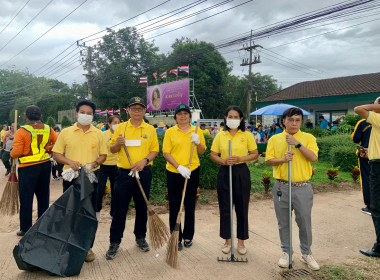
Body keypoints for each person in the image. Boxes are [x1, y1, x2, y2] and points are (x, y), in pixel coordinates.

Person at [265, 107, 320, 270]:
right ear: (284, 121)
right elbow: (268, 160)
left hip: (302, 187)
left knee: (304, 221)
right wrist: (282, 159)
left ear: (301, 122)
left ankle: (306, 253)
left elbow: (314, 158)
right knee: (283, 222)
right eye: (290, 120)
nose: (294, 123)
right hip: (282, 186)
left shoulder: (308, 138)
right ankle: (286, 252)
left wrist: (297, 144)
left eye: (297, 120)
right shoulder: (275, 139)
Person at [53, 100, 107, 262]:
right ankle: (68, 245)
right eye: (82, 112)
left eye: (89, 113)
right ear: (76, 114)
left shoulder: (98, 133)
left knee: (88, 213)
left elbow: (103, 155)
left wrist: (94, 163)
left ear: (93, 115)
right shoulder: (66, 132)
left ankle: (86, 247)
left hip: (91, 177)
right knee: (70, 211)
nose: (86, 115)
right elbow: (57, 154)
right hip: (71, 177)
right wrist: (70, 162)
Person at [106, 97, 159, 260]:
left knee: (142, 206)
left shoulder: (150, 129)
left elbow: (154, 151)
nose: (137, 111)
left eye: (140, 109)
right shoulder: (121, 127)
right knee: (120, 208)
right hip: (124, 173)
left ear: (144, 111)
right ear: (128, 110)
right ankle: (114, 242)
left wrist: (144, 161)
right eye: (134, 108)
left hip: (143, 173)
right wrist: (118, 143)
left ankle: (140, 237)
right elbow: (112, 149)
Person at [210, 105, 258, 255]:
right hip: (225, 172)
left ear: (241, 119)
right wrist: (223, 161)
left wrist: (240, 158)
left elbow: (255, 154)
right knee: (225, 208)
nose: (233, 119)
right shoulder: (220, 135)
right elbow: (213, 154)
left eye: (236, 117)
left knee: (242, 208)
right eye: (230, 116)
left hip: (241, 172)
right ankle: (227, 241)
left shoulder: (247, 135)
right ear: (225, 118)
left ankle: (241, 242)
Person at [163, 104, 206, 250]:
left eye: (185, 113)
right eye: (179, 114)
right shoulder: (170, 132)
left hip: (192, 170)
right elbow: (166, 153)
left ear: (189, 116)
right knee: (175, 204)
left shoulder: (196, 130)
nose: (183, 116)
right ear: (175, 117)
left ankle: (188, 235)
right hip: (174, 171)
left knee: (190, 203)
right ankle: (176, 236)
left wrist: (198, 142)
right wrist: (178, 166)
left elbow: (202, 151)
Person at [11, 106, 58, 236]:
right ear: (41, 116)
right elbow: (58, 144)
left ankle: (25, 228)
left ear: (26, 116)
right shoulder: (49, 129)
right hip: (44, 166)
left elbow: (16, 152)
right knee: (43, 197)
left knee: (26, 198)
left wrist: (11, 154)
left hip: (27, 168)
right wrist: (48, 149)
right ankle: (42, 227)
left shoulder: (21, 131)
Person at [354, 98, 380, 258]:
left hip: (378, 167)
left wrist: (376, 106)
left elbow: (358, 108)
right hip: (373, 158)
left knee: (376, 207)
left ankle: (379, 247)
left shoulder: (376, 118)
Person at [97, 115, 121, 220]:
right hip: (103, 165)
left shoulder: (121, 135)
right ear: (109, 124)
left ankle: (113, 213)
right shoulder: (103, 135)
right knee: (100, 190)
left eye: (118, 122)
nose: (117, 125)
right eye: (114, 123)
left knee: (115, 191)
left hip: (116, 166)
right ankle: (97, 211)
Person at [351, 115, 373, 215]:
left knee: (367, 179)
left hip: (365, 155)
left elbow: (355, 138)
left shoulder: (363, 122)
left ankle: (370, 206)